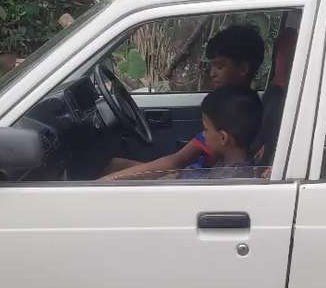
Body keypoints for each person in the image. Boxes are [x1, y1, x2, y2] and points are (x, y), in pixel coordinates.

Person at [101, 24, 264, 181]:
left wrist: (106, 183)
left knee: (113, 171)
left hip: (196, 181)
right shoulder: (227, 108)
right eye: (211, 66)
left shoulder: (232, 116)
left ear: (243, 68)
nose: (212, 73)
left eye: (220, 66)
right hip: (194, 175)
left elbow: (175, 162)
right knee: (115, 165)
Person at [179, 86, 262, 180]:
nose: (203, 134)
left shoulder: (228, 181)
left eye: (206, 130)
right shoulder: (246, 165)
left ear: (223, 138)